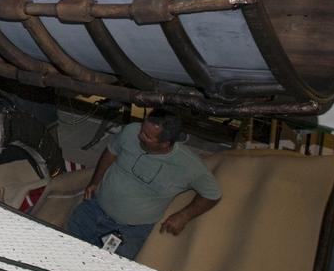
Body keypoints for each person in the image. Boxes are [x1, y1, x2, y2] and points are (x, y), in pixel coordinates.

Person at [67, 110, 221, 259]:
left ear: (165, 144)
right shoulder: (131, 131)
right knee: (64, 249)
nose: (140, 135)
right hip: (94, 209)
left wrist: (184, 215)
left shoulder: (188, 166)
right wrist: (95, 182)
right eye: (142, 129)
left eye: (147, 136)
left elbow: (213, 195)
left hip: (128, 230)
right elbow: (111, 151)